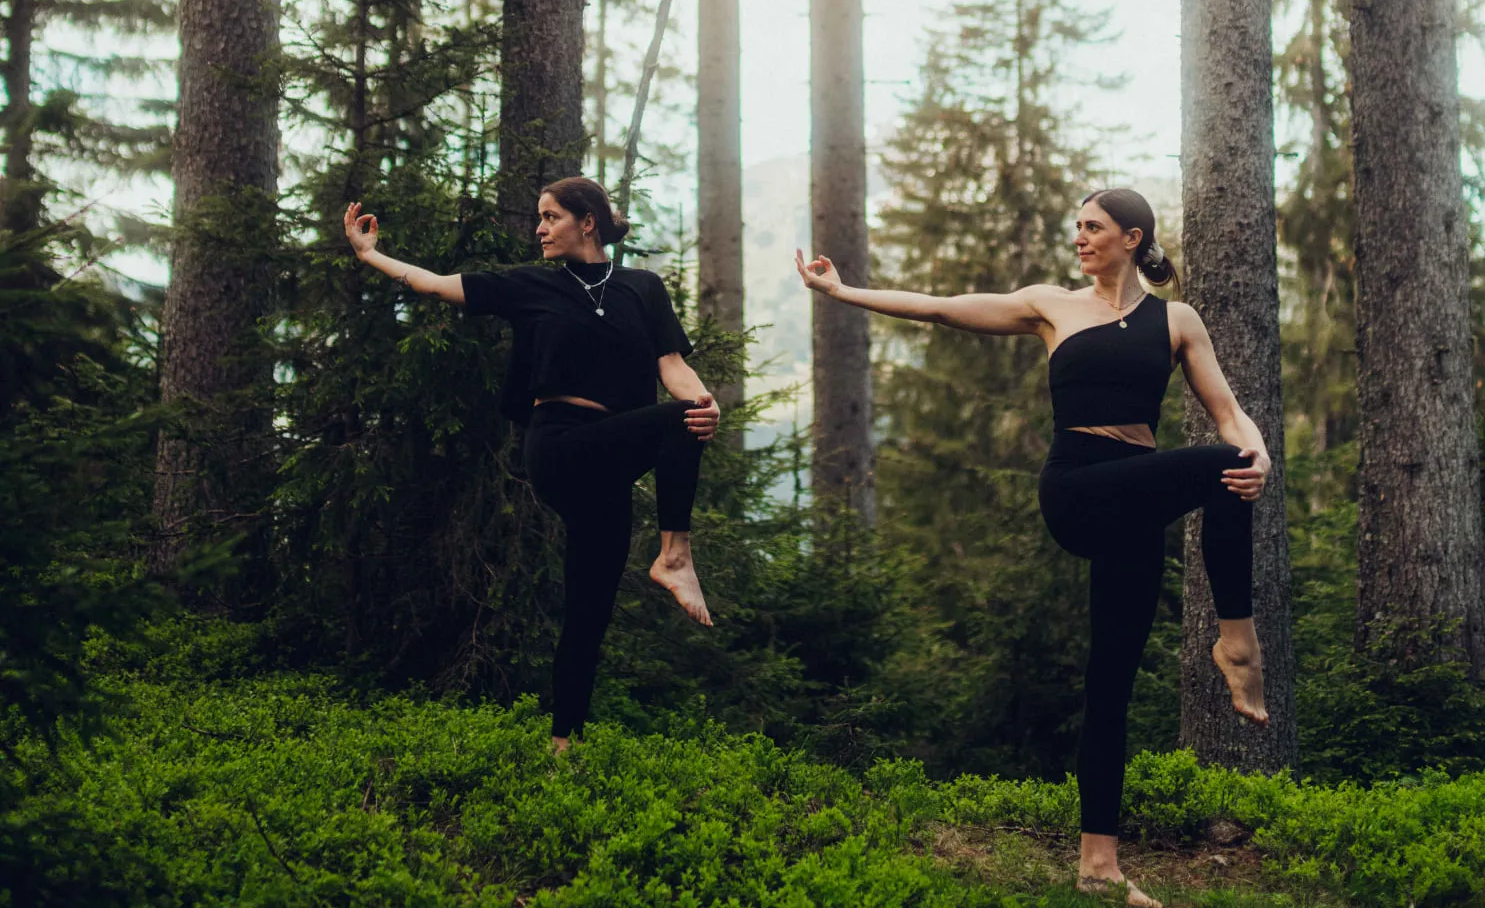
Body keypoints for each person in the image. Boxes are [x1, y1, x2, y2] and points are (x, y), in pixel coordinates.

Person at [796, 187, 1269, 908]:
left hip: (1132, 506)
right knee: (1215, 466)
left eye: (1092, 227)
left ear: (1132, 238)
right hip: (1077, 488)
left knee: (1107, 681)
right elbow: (938, 305)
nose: (1079, 238)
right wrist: (842, 290)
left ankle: (1098, 866)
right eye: (1076, 227)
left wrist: (1258, 452)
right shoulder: (1051, 304)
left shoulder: (1176, 320)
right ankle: (1236, 641)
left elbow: (1228, 410)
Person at [345, 176, 721, 754]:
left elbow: (671, 366)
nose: (539, 229)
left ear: (587, 222)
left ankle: (561, 747)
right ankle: (674, 557)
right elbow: (436, 286)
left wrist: (704, 399)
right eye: (538, 218)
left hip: (609, 466)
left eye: (550, 217)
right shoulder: (531, 286)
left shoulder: (642, 289)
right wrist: (372, 256)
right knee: (677, 420)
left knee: (589, 610)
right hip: (561, 446)